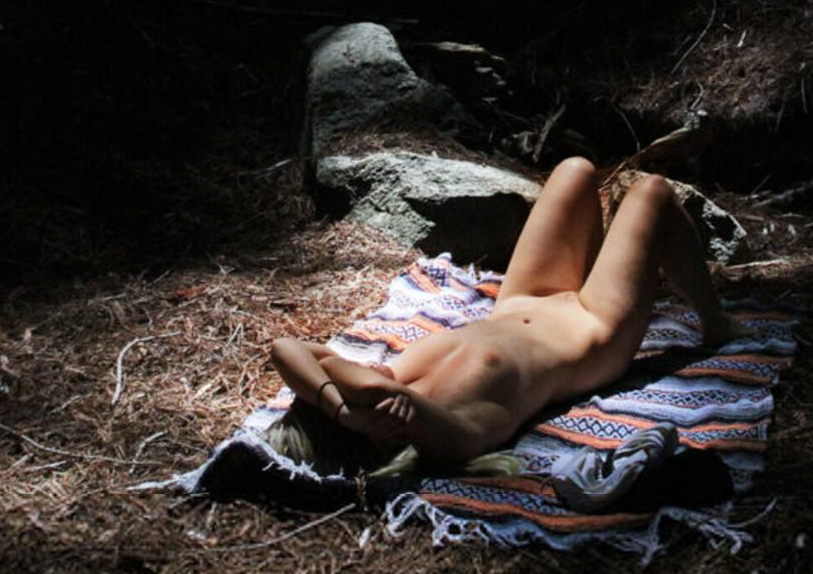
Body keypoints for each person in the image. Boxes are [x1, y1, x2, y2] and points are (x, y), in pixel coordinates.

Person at [269, 158, 732, 469]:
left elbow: (285, 349)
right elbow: (364, 383)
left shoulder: (389, 385)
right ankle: (717, 325)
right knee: (652, 193)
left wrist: (337, 409)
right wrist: (350, 408)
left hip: (523, 299)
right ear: (371, 436)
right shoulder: (448, 435)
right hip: (593, 327)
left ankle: (607, 265)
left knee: (575, 170)